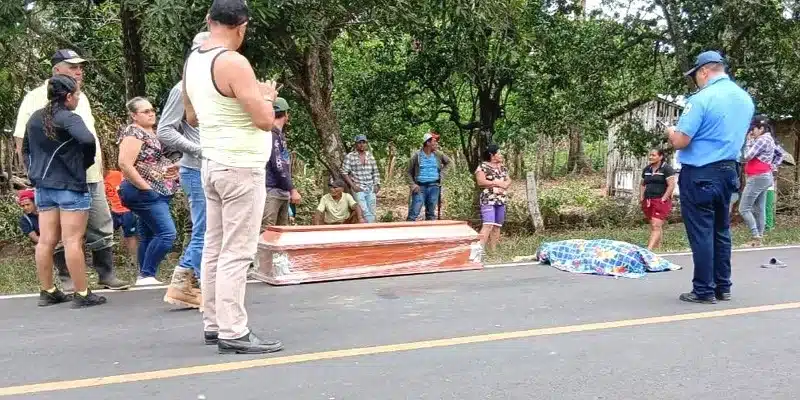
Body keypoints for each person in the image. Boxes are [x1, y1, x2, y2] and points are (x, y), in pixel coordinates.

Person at [183, 0, 283, 354]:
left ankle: (213, 323)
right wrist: (266, 96)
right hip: (241, 167)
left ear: (209, 20)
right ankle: (234, 330)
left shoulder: (194, 60)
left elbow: (191, 116)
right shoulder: (234, 62)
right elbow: (265, 120)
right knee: (237, 252)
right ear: (242, 27)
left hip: (212, 163)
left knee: (214, 246)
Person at [13, 49, 128, 291]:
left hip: (89, 175)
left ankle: (105, 273)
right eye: (73, 67)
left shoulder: (80, 96)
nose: (79, 71)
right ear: (56, 70)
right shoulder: (35, 98)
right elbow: (22, 141)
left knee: (101, 222)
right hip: (57, 178)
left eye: (80, 67)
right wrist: (33, 174)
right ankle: (70, 281)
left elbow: (90, 137)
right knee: (60, 235)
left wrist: (94, 164)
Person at [666, 50, 755, 304]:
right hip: (729, 171)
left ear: (704, 71)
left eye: (695, 75)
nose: (696, 80)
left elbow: (681, 141)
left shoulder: (701, 99)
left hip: (700, 172)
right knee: (721, 229)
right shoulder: (745, 99)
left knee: (702, 231)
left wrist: (670, 132)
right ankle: (722, 286)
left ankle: (704, 289)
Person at [22, 74, 106, 308]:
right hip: (69, 186)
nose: (78, 98)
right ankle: (82, 293)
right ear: (68, 96)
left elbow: (25, 149)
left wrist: (34, 172)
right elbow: (87, 140)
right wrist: (84, 163)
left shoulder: (36, 118)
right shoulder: (69, 118)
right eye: (77, 94)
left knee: (46, 240)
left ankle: (47, 290)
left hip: (43, 187)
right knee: (72, 241)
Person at [157, 32, 210, 309]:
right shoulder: (183, 89)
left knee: (211, 229)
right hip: (197, 169)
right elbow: (164, 130)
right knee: (205, 230)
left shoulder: (213, 85)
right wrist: (198, 150)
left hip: (212, 167)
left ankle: (183, 284)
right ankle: (204, 289)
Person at [117, 97, 180, 286]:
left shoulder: (152, 132)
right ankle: (147, 273)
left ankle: (144, 276)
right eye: (145, 111)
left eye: (152, 110)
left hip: (159, 189)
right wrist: (146, 188)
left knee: (149, 233)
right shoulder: (134, 133)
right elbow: (125, 164)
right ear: (134, 115)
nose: (151, 113)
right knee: (167, 234)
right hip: (143, 190)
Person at [739, 115, 783, 247]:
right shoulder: (769, 139)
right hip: (763, 176)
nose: (752, 132)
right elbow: (780, 153)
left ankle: (755, 236)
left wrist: (748, 141)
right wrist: (773, 166)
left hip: (757, 177)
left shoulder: (763, 139)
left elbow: (747, 156)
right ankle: (759, 238)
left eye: (753, 129)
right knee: (759, 209)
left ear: (761, 128)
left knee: (744, 209)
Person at [18, 188, 73, 291]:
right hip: (45, 242)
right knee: (56, 251)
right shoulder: (25, 220)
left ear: (35, 202)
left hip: (60, 237)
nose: (25, 208)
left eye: (28, 204)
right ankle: (65, 279)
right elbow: (34, 237)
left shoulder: (48, 211)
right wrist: (51, 243)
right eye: (23, 206)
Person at [263, 97, 301, 229]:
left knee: (281, 231)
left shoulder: (279, 135)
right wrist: (292, 189)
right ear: (286, 114)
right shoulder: (271, 134)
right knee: (267, 229)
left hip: (282, 192)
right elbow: (278, 165)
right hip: (272, 190)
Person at [407, 131, 451, 221]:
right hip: (420, 187)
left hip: (434, 186)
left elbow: (449, 163)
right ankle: (408, 229)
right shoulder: (417, 156)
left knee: (431, 213)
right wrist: (413, 185)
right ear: (428, 143)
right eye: (434, 142)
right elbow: (407, 172)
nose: (436, 144)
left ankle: (430, 229)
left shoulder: (438, 154)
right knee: (414, 212)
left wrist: (442, 175)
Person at [475, 145, 510, 252]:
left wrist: (505, 185)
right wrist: (497, 183)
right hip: (488, 199)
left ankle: (493, 251)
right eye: (498, 153)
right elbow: (481, 182)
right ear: (492, 155)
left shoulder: (502, 167)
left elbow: (508, 180)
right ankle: (478, 250)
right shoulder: (482, 167)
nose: (501, 155)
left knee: (497, 225)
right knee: (488, 224)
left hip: (501, 199)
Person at [639, 149, 676, 250]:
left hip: (660, 200)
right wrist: (641, 197)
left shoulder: (666, 169)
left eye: (653, 155)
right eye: (650, 155)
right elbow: (642, 184)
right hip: (648, 200)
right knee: (655, 226)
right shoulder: (647, 169)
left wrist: (663, 199)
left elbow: (671, 185)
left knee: (656, 225)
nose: (650, 157)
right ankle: (658, 248)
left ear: (660, 157)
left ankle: (649, 250)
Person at [341, 134, 380, 223]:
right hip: (358, 187)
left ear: (366, 144)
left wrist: (377, 185)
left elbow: (375, 172)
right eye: (359, 143)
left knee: (372, 210)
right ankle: (370, 228)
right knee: (364, 210)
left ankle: (370, 227)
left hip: (370, 187)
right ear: (356, 144)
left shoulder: (370, 156)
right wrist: (353, 186)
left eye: (364, 142)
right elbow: (344, 172)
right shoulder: (350, 156)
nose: (362, 145)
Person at [103, 169, 139, 265]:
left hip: (127, 210)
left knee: (130, 235)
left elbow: (131, 183)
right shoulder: (96, 181)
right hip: (113, 210)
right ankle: (107, 260)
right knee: (105, 234)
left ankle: (135, 260)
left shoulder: (116, 174)